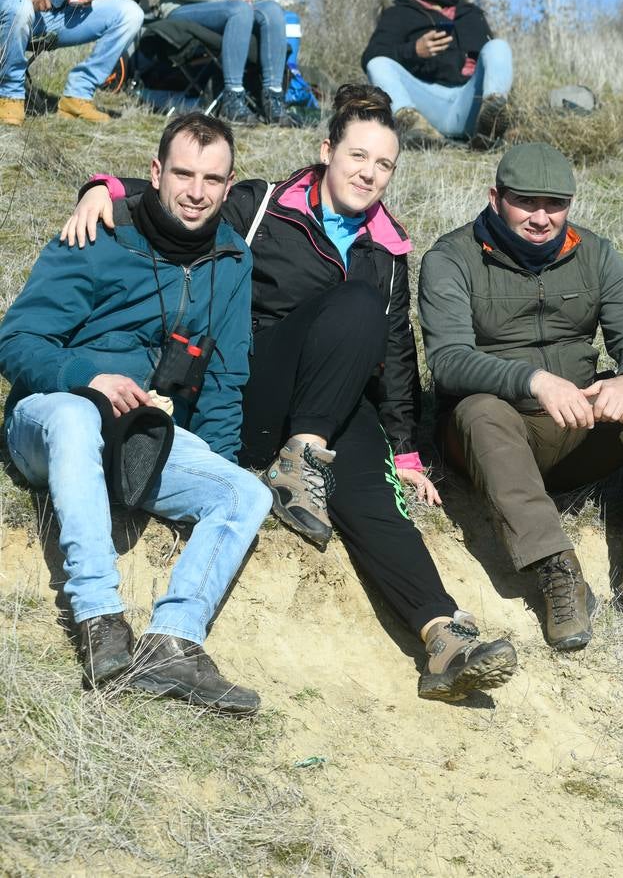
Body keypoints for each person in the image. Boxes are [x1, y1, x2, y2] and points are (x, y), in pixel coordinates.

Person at [61, 86, 518, 705]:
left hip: (327, 412)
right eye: (358, 156)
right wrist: (104, 187)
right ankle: (298, 460)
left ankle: (441, 631)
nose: (369, 174)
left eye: (384, 164)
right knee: (355, 305)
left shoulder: (388, 249)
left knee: (370, 486)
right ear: (327, 150)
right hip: (250, 390)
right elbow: (186, 197)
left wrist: (406, 452)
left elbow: (398, 356)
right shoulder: (260, 205)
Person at [0, 113, 268, 713]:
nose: (196, 192)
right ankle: (99, 619)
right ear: (154, 173)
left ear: (229, 187)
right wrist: (86, 379)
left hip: (141, 435)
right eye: (183, 174)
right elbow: (15, 342)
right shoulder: (98, 234)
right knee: (74, 418)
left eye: (212, 179)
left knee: (245, 495)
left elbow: (225, 380)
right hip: (50, 420)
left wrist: (210, 469)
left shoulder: (232, 260)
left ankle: (172, 643)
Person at [419, 142, 623, 654]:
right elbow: (449, 361)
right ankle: (557, 571)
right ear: (495, 197)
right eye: (526, 202)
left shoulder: (596, 253)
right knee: (480, 410)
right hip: (496, 436)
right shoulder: (450, 258)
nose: (541, 218)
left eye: (556, 204)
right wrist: (533, 381)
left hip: (577, 429)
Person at [362, 0, 512, 149]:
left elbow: (494, 65)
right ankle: (415, 130)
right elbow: (371, 55)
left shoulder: (472, 14)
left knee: (499, 46)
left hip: (469, 103)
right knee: (377, 64)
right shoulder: (399, 12)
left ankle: (490, 126)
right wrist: (414, 51)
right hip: (426, 105)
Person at [0, 0, 143, 125]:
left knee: (130, 13)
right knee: (20, 4)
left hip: (52, 15)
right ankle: (8, 95)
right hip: (10, 6)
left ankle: (78, 94)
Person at [158, 0, 293, 125]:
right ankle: (233, 97)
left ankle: (274, 101)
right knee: (239, 10)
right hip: (184, 6)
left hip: (234, 3)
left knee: (272, 10)